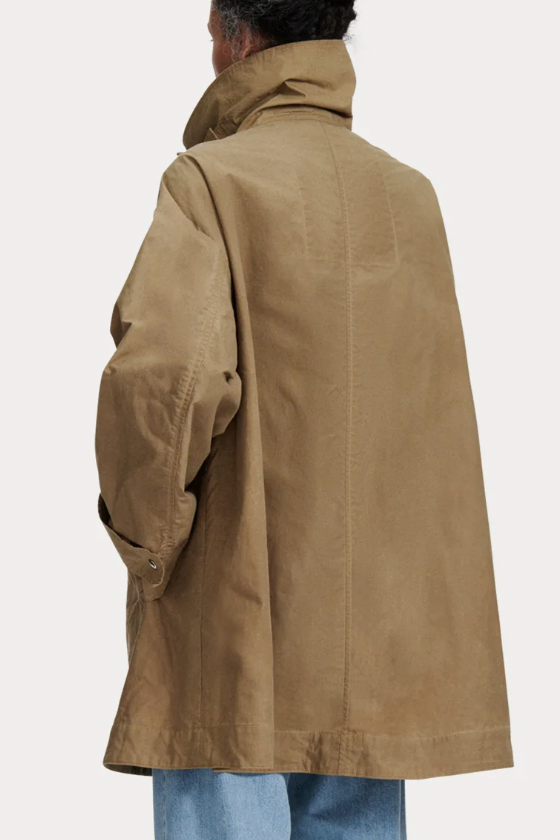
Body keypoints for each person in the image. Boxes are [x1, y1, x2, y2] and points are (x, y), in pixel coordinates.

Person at [94, 1, 514, 837]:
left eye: (211, 34)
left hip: (234, 617)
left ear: (239, 36)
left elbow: (166, 384)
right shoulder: (410, 198)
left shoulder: (212, 181)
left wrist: (146, 543)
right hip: (376, 635)